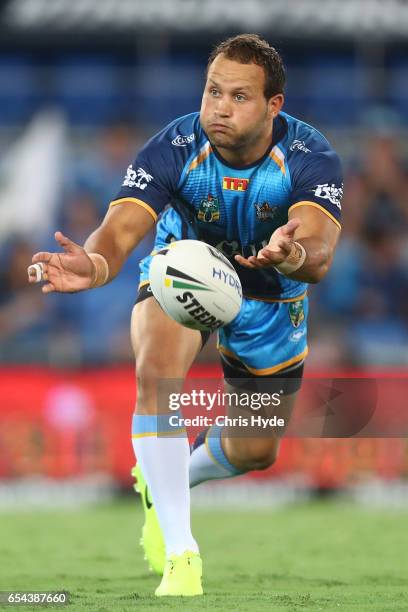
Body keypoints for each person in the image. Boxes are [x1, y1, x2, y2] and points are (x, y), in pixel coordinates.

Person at [28, 34, 343, 597]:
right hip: (183, 273)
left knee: (256, 450)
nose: (219, 107)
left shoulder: (309, 157)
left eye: (239, 96)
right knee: (157, 378)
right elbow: (119, 230)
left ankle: (173, 477)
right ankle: (181, 555)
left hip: (271, 299)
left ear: (275, 105)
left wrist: (292, 254)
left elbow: (317, 252)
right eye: (212, 91)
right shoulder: (173, 145)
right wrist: (95, 266)